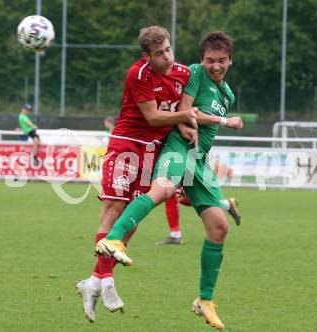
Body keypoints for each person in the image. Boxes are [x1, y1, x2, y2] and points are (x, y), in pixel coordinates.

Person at [96, 31, 241, 330]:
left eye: (222, 61)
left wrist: (204, 128)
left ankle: (205, 301)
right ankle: (113, 239)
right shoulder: (196, 74)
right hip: (178, 146)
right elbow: (184, 110)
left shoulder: (227, 94)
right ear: (202, 60)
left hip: (199, 161)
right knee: (161, 192)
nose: (216, 66)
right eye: (211, 60)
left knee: (219, 226)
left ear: (230, 61)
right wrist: (195, 124)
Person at [75, 26, 198, 323]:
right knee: (114, 210)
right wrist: (186, 117)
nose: (167, 57)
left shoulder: (183, 73)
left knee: (131, 222)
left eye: (168, 49)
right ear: (147, 56)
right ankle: (107, 283)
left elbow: (183, 110)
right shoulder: (138, 74)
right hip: (126, 145)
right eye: (159, 54)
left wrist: (185, 122)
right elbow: (154, 116)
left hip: (153, 150)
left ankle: (93, 281)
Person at [158, 160, 241, 245]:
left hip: (186, 166)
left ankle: (175, 235)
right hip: (183, 166)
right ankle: (227, 204)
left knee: (178, 196)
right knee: (181, 197)